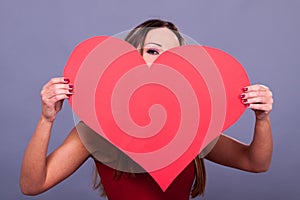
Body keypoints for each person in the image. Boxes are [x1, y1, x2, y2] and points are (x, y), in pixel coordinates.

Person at [20, 19, 273, 199]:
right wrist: (46, 119)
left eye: (176, 56)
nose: (165, 61)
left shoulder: (192, 130)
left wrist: (261, 119)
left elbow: (255, 162)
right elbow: (33, 185)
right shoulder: (95, 131)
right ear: (128, 58)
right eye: (154, 51)